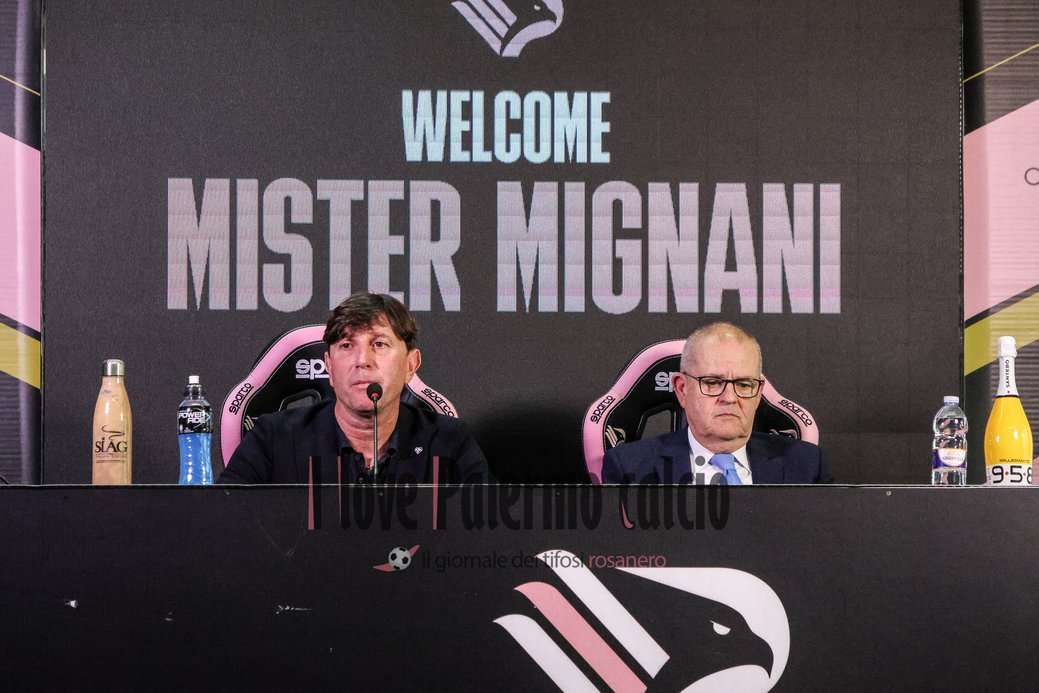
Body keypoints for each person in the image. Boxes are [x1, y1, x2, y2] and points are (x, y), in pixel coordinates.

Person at [219, 293, 490, 484]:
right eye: (347, 345)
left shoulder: (450, 442)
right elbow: (222, 524)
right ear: (329, 367)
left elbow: (488, 535)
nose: (362, 361)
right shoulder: (274, 438)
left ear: (411, 364)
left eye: (379, 344)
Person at [602, 322, 831, 485]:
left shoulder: (807, 465)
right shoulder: (630, 469)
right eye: (712, 383)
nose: (729, 398)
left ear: (758, 393)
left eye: (743, 385)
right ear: (682, 389)